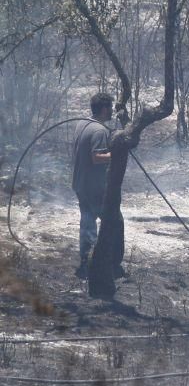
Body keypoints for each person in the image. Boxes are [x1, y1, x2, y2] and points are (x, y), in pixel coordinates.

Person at [72, 93, 113, 279]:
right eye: (110, 107)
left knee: (87, 222)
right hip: (93, 186)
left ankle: (85, 261)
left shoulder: (82, 123)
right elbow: (97, 158)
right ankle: (98, 264)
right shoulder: (99, 130)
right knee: (108, 223)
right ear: (104, 109)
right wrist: (117, 153)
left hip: (80, 183)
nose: (112, 110)